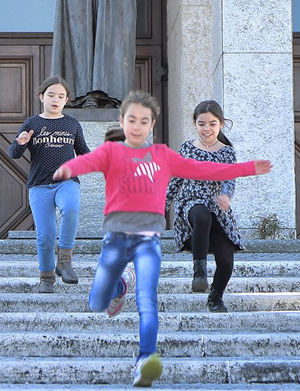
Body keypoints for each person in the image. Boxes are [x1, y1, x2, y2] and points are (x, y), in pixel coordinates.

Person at [53, 91, 269, 388]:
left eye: (144, 121)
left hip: (172, 232)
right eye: (132, 120)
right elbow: (89, 161)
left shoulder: (181, 154)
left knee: (155, 298)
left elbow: (211, 171)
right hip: (143, 227)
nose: (137, 126)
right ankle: (146, 281)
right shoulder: (119, 152)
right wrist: (68, 168)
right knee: (97, 302)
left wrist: (238, 179)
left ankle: (149, 357)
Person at [8, 76, 90, 292]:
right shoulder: (32, 123)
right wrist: (20, 143)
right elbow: (14, 154)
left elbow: (84, 152)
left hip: (67, 182)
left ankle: (64, 261)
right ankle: (46, 277)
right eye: (51, 95)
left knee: (71, 208)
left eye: (61, 96)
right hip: (40, 185)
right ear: (41, 97)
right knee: (45, 235)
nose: (56, 99)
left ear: (66, 100)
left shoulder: (72, 124)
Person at [167, 100, 245, 312]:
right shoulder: (187, 149)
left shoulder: (227, 152)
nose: (207, 129)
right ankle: (199, 272)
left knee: (227, 261)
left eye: (212, 124)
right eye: (202, 124)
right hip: (191, 204)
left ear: (220, 124)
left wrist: (226, 196)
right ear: (195, 124)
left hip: (218, 209)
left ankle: (215, 297)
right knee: (202, 215)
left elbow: (230, 179)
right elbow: (175, 180)